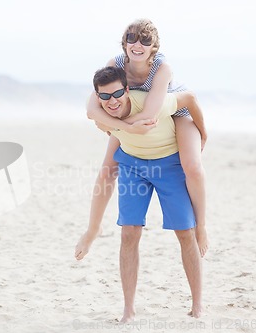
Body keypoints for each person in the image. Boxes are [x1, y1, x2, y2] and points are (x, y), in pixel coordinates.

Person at [76, 66, 202, 321]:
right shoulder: (101, 113)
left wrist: (203, 132)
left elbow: (189, 99)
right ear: (97, 97)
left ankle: (197, 306)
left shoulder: (151, 105)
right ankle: (128, 310)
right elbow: (97, 117)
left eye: (117, 94)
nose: (112, 101)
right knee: (128, 233)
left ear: (127, 89)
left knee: (186, 234)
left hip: (169, 164)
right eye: (104, 96)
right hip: (133, 166)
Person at [84, 18, 208, 257]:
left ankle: (201, 226)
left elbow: (151, 115)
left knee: (192, 166)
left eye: (145, 39)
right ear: (124, 43)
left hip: (173, 111)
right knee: (107, 169)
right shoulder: (116, 64)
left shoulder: (163, 68)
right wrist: (120, 126)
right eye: (132, 38)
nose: (137, 43)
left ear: (154, 46)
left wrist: (204, 131)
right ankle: (92, 229)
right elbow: (92, 110)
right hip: (131, 114)